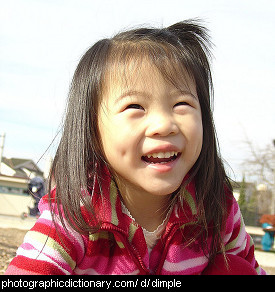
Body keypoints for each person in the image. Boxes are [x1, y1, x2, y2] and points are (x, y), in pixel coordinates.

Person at [6, 19, 265, 275]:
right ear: (93, 131)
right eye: (135, 107)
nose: (165, 125)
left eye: (181, 105)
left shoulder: (214, 206)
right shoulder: (76, 213)